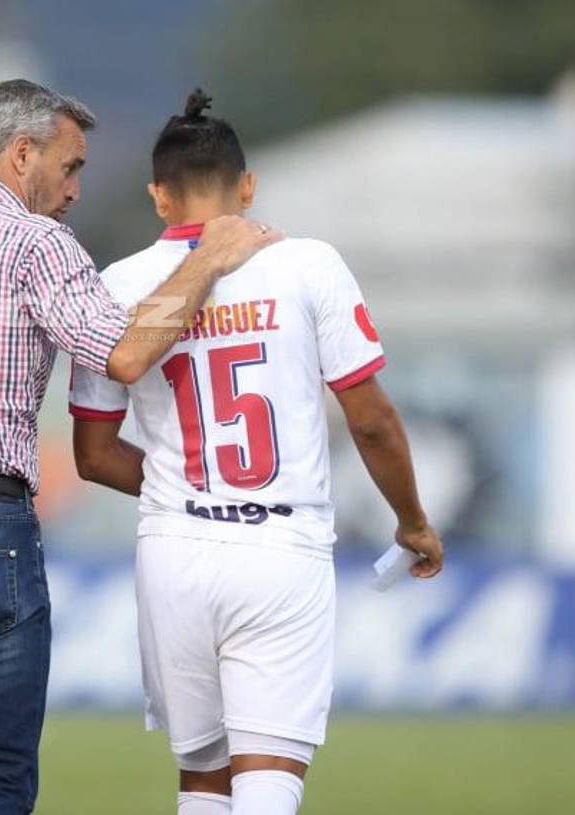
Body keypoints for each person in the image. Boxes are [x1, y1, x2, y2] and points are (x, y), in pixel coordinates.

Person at [0, 78, 280, 815]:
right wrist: (206, 260)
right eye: (70, 167)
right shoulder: (34, 242)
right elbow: (125, 354)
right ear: (21, 152)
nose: (73, 191)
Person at [69, 90, 444, 815]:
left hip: (173, 547)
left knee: (203, 782)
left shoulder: (116, 285)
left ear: (157, 196)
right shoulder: (309, 265)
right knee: (269, 780)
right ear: (248, 187)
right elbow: (370, 421)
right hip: (280, 542)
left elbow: (93, 453)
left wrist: (182, 485)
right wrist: (413, 521)